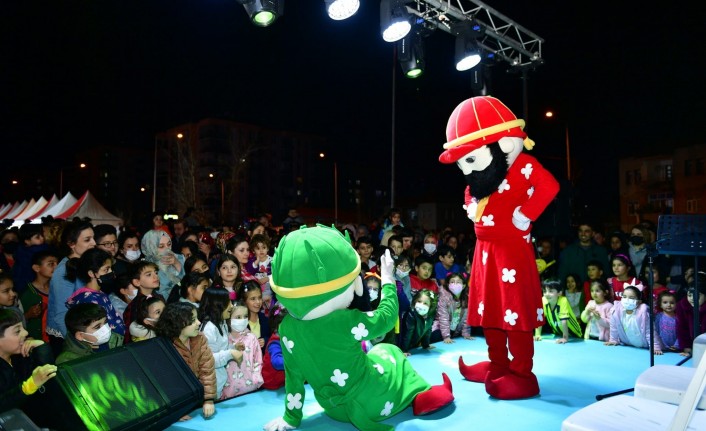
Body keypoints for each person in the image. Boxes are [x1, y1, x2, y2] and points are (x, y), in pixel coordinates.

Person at [263, 227, 453, 431]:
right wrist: (388, 278)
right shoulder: (345, 321)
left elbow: (294, 377)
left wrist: (291, 417)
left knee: (377, 352)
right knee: (390, 352)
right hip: (372, 404)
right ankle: (422, 393)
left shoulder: (287, 328)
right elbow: (387, 317)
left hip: (333, 408)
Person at [155, 302, 216, 420]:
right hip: (175, 404)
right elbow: (166, 383)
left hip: (197, 398)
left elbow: (207, 370)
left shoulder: (200, 338)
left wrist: (208, 399)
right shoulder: (163, 346)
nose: (199, 323)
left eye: (197, 318)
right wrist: (175, 411)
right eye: (192, 320)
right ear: (178, 324)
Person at [0, 309, 57, 427]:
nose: (25, 333)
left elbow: (49, 380)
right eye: (17, 331)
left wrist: (41, 347)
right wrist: (28, 387)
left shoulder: (20, 356)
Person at [46, 219, 95, 353]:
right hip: (67, 335)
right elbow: (61, 312)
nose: (94, 243)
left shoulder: (85, 263)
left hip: (83, 329)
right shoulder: (63, 270)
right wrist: (74, 341)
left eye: (93, 238)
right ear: (71, 244)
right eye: (87, 240)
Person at [64, 248, 125, 336]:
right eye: (106, 269)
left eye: (111, 268)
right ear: (92, 274)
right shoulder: (90, 299)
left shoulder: (96, 293)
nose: (112, 273)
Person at [197, 287, 240, 400]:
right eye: (228, 302)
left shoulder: (221, 323)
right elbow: (209, 360)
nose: (231, 306)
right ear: (217, 305)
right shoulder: (209, 329)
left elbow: (221, 349)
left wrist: (234, 347)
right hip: (210, 387)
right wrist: (231, 353)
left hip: (219, 383)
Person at [56, 303, 123, 364]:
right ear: (80, 336)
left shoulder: (116, 339)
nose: (105, 328)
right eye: (97, 327)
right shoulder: (69, 360)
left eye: (105, 322)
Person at [221, 301, 263, 399]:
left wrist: (256, 379)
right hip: (228, 392)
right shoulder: (224, 339)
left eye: (245, 316)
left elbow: (258, 361)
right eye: (238, 317)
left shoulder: (252, 338)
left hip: (250, 388)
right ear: (228, 318)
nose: (242, 320)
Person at [19, 250, 58, 341]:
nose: (56, 267)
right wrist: (28, 315)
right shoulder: (27, 293)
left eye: (57, 264)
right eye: (51, 264)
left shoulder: (57, 288)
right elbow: (16, 321)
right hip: (39, 341)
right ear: (37, 268)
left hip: (58, 337)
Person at [122, 261, 164, 344]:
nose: (155, 276)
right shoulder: (135, 306)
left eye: (156, 273)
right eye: (149, 274)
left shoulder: (159, 297)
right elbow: (131, 334)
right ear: (137, 282)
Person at [534, 278, 582, 344]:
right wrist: (537, 334)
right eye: (545, 291)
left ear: (559, 293)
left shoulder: (563, 300)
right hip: (558, 335)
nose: (547, 294)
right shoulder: (543, 300)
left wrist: (565, 338)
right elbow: (540, 318)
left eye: (550, 291)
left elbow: (564, 321)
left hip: (575, 336)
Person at [141, 229, 185, 300]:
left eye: (169, 244)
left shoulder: (179, 258)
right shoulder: (147, 266)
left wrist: (177, 264)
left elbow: (187, 281)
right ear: (151, 247)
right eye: (161, 246)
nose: (167, 249)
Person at [605, 285, 652, 349]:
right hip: (628, 346)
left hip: (643, 346)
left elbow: (649, 331)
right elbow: (614, 328)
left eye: (631, 298)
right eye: (624, 297)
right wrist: (613, 340)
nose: (627, 300)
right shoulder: (615, 311)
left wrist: (654, 346)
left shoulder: (643, 313)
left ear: (639, 301)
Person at [432, 272, 472, 344]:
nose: (455, 284)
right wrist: (446, 336)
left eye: (458, 282)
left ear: (463, 285)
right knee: (435, 337)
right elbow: (443, 317)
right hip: (442, 329)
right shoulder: (444, 298)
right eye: (452, 282)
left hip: (457, 330)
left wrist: (466, 333)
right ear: (448, 284)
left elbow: (466, 318)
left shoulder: (467, 299)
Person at [12, 223, 48, 296]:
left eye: (42, 235)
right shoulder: (32, 254)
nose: (42, 238)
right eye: (37, 237)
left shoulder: (21, 253)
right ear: (27, 241)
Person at [676, 273, 706, 357]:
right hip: (693, 345)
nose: (692, 298)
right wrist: (687, 347)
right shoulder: (682, 306)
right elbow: (681, 328)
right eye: (689, 295)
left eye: (697, 295)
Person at [399, 289, 436, 356]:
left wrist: (426, 345)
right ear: (415, 301)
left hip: (414, 346)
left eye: (425, 303)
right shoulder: (411, 315)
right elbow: (407, 333)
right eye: (419, 301)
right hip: (403, 345)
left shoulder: (430, 315)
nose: (421, 305)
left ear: (431, 306)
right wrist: (404, 350)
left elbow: (427, 330)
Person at [237, 280, 270, 351]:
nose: (258, 302)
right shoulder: (238, 323)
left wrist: (266, 341)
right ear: (244, 301)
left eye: (260, 297)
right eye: (253, 299)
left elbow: (273, 338)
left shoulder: (266, 320)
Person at [261, 302, 287, 390]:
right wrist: (294, 361)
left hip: (283, 381)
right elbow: (277, 362)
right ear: (276, 327)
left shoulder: (287, 338)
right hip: (271, 384)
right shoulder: (275, 342)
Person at [248, 233, 274, 313]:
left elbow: (276, 274)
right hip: (257, 290)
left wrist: (267, 278)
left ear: (268, 249)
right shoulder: (252, 261)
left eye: (264, 247)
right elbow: (250, 271)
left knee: (269, 309)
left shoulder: (272, 260)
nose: (261, 250)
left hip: (269, 289)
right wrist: (256, 263)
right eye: (258, 248)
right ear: (253, 250)